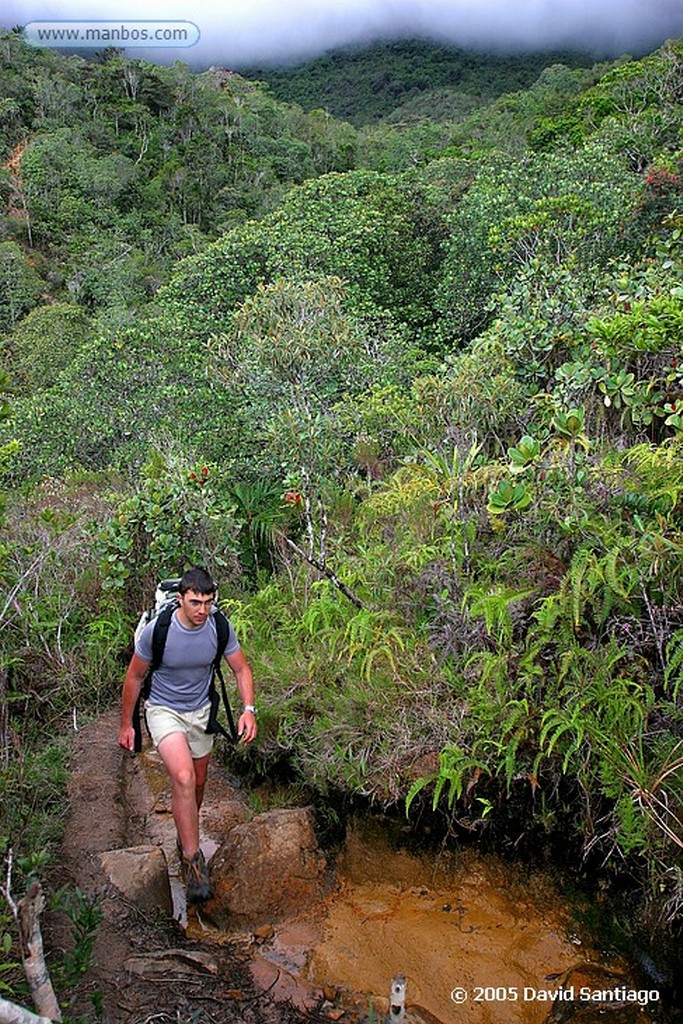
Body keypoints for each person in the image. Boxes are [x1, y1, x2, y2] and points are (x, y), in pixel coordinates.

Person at [118, 566, 257, 903]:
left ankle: (185, 835)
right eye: (195, 602)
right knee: (181, 777)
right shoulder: (158, 630)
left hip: (201, 713)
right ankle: (193, 862)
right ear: (180, 599)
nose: (202, 610)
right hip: (163, 710)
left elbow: (240, 668)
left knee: (196, 784)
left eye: (208, 602)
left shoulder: (219, 626)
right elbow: (134, 678)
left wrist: (249, 709)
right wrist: (127, 725)